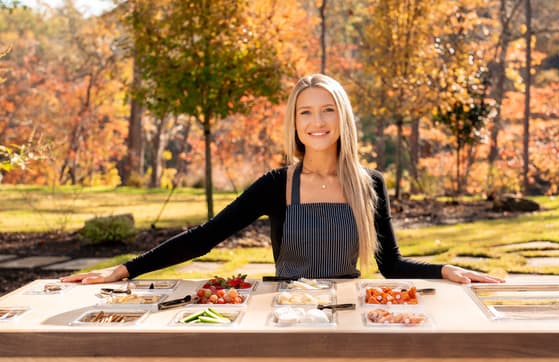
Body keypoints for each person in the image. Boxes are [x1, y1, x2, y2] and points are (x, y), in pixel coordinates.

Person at [61, 74, 503, 285]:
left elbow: (391, 267)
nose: (317, 121)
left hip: (350, 310)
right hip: (284, 309)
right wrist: (125, 269)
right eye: (305, 112)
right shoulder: (277, 184)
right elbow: (207, 237)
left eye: (327, 109)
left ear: (343, 117)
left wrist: (447, 269)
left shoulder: (370, 184)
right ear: (294, 122)